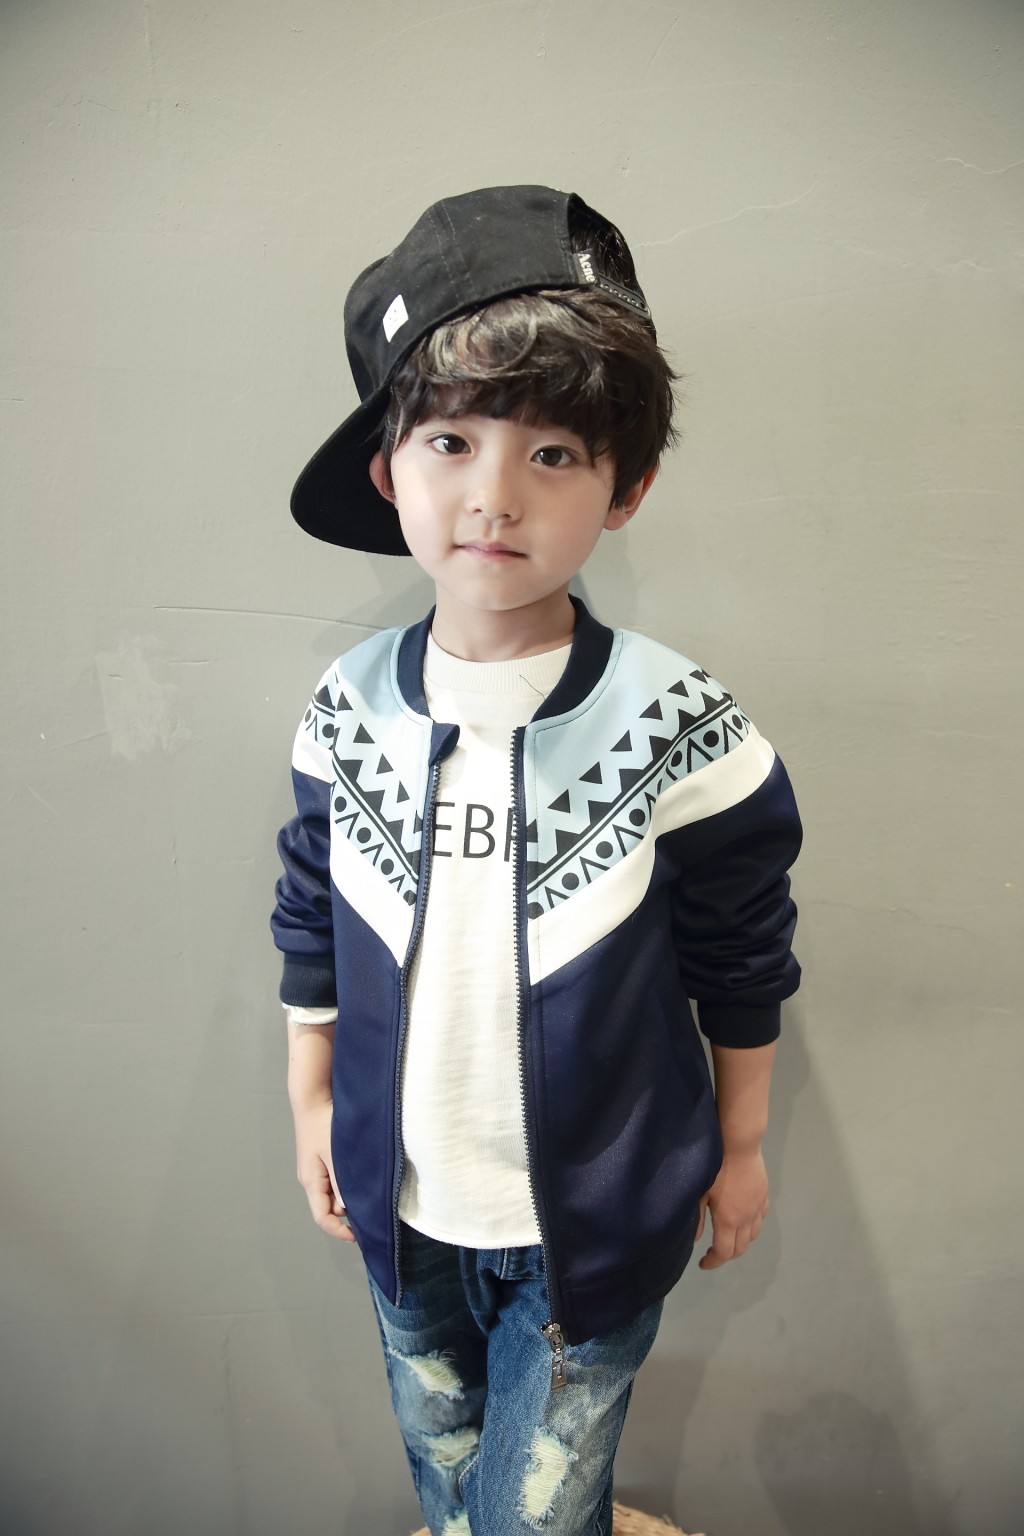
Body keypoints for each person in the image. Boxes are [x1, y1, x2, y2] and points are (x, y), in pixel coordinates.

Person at [271, 185, 801, 1536]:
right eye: (450, 439)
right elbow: (309, 914)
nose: (494, 496)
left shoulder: (680, 727)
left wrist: (742, 1146)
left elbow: (742, 951)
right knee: (447, 1485)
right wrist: (311, 1104)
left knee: (536, 1518)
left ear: (627, 489)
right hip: (403, 1216)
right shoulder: (348, 711)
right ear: (390, 470)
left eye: (554, 452)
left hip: (595, 1234)